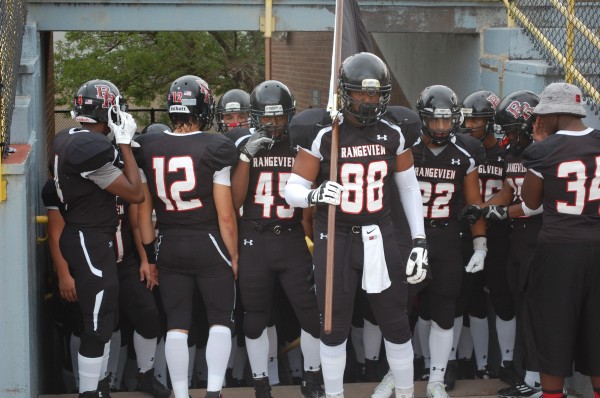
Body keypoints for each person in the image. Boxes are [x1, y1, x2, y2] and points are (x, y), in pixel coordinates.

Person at [284, 52, 428, 398]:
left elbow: (409, 189)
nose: (368, 100)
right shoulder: (323, 133)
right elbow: (291, 191)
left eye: (375, 93)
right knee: (333, 328)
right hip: (336, 236)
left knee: (395, 323)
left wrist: (420, 240)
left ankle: (406, 393)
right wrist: (315, 194)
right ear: (344, 92)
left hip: (380, 233)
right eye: (361, 93)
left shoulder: (395, 131)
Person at [135, 75, 239, 398]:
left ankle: (180, 394)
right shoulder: (216, 147)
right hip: (208, 241)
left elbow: (142, 214)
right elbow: (225, 214)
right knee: (220, 319)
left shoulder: (148, 146)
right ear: (205, 108)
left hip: (168, 242)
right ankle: (212, 392)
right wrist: (234, 255)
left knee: (176, 322)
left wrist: (150, 258)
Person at [227, 79, 324, 398]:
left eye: (279, 117)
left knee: (312, 315)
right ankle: (260, 384)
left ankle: (311, 378)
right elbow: (236, 201)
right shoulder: (244, 145)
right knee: (254, 319)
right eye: (266, 118)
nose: (272, 124)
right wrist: (244, 158)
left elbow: (310, 200)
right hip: (255, 238)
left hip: (291, 238)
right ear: (254, 117)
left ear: (289, 116)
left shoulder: (302, 145)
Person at [51, 79, 144, 398]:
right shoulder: (90, 147)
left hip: (89, 236)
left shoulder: (70, 137)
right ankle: (89, 392)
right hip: (89, 239)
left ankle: (97, 388)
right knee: (98, 324)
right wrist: (125, 144)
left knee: (104, 321)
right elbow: (135, 193)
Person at [521, 82, 600, 398]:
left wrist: (540, 145)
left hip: (559, 252)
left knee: (552, 332)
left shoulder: (543, 150)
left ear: (553, 114)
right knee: (597, 332)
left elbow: (530, 203)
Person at [479, 90, 543, 398]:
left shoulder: (545, 153)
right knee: (520, 305)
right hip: (518, 238)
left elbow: (534, 205)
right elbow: (506, 190)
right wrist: (480, 208)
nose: (509, 138)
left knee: (536, 310)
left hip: (539, 238)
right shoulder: (514, 156)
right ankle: (527, 375)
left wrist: (500, 212)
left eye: (514, 130)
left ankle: (536, 381)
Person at [451, 90, 506, 387]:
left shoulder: (505, 155)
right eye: (467, 118)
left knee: (498, 299)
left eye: (475, 119)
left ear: (492, 121)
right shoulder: (463, 151)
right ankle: (462, 363)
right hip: (468, 231)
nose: (468, 124)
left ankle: (487, 365)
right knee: (465, 300)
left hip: (499, 234)